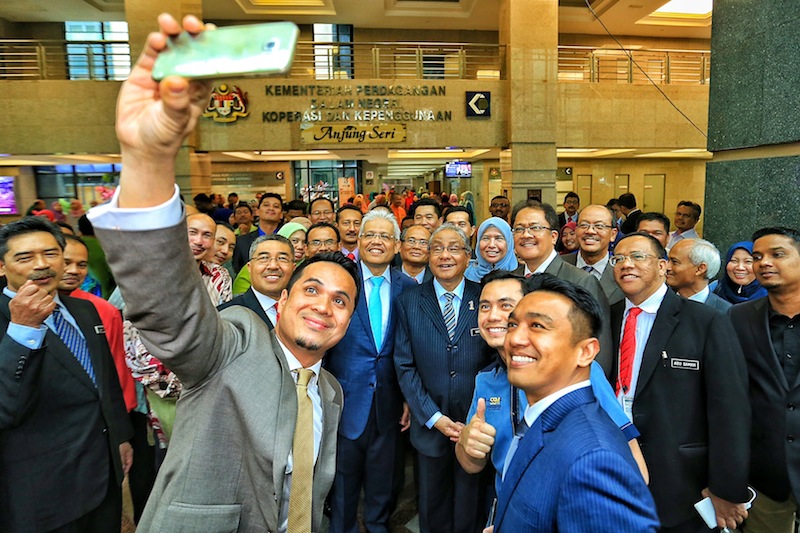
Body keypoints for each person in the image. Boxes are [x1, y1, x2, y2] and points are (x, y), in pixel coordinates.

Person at [88, 14, 360, 532]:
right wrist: (148, 158)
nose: (324, 305)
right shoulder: (233, 346)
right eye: (312, 288)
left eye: (341, 300)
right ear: (280, 300)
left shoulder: (329, 393)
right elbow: (169, 310)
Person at [456, 272, 648, 500]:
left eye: (506, 305)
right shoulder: (485, 380)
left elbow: (635, 469)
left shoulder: (578, 369)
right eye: (484, 307)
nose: (493, 316)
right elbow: (472, 465)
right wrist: (468, 445)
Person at [491, 274, 659, 532]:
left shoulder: (595, 460)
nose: (514, 339)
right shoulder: (548, 419)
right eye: (513, 325)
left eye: (537, 326)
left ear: (586, 352)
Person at [610, 232, 751, 531]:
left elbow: (731, 409)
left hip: (681, 480)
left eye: (637, 257)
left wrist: (727, 487)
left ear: (663, 266)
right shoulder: (606, 318)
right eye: (618, 258)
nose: (626, 265)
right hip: (613, 468)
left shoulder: (705, 321)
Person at [0, 217, 133, 533]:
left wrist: (120, 435)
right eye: (25, 257)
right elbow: (5, 407)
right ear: (2, 267)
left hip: (102, 474)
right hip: (41, 485)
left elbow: (104, 380)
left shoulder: (84, 311)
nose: (42, 265)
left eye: (51, 253)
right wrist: (22, 329)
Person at [394, 223, 494, 533]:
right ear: (427, 255)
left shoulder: (485, 299)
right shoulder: (409, 301)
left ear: (468, 257)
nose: (445, 255)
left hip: (476, 423)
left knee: (471, 504)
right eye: (437, 248)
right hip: (430, 425)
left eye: (454, 248)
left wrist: (479, 416)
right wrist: (434, 417)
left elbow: (495, 361)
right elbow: (404, 365)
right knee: (432, 505)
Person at [325, 209, 416, 533]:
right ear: (359, 240)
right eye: (370, 235)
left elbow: (410, 349)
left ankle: (378, 527)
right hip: (345, 398)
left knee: (383, 478)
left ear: (396, 245)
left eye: (385, 237)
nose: (377, 241)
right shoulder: (339, 281)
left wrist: (407, 397)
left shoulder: (409, 287)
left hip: (389, 402)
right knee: (344, 482)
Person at [729, 228, 800, 533]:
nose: (763, 263)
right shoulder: (737, 318)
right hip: (765, 475)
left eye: (777, 254)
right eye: (758, 256)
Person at [510, 202, 613, 374]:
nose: (526, 235)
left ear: (553, 236)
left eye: (535, 228)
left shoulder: (581, 281)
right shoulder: (511, 280)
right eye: (519, 229)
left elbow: (598, 352)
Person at [220, 235, 296, 329]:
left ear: (293, 268)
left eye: (282, 258)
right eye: (264, 258)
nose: (273, 266)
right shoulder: (226, 314)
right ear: (249, 267)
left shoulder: (303, 311)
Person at [561, 204, 624, 305]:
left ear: (613, 234)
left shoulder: (623, 271)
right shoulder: (558, 264)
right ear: (576, 230)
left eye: (599, 226)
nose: (590, 231)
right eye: (584, 225)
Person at [665, 238, 731, 312]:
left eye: (675, 262)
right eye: (668, 260)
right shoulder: (659, 303)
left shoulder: (725, 311)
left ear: (700, 269)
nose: (667, 267)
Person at [231, 193, 285, 273]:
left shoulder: (287, 239)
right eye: (266, 205)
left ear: (281, 214)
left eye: (276, 206)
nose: (271, 208)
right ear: (257, 211)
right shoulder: (241, 242)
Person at [465, 217, 517, 283]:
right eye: (486, 238)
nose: (491, 245)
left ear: (509, 243)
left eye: (499, 238)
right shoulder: (465, 274)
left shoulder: (520, 275)